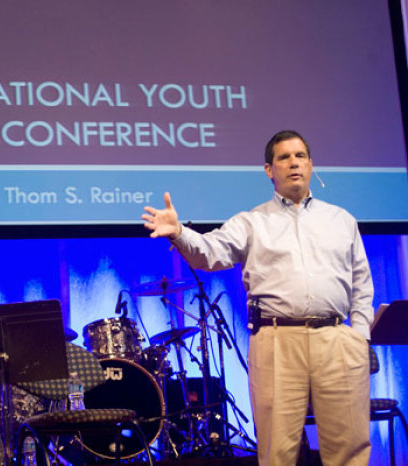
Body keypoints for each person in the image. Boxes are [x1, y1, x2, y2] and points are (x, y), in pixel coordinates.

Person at [142, 130, 373, 465]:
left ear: (310, 164)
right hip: (278, 340)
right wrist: (180, 233)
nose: (294, 163)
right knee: (277, 451)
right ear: (269, 169)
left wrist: (360, 337)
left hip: (337, 339)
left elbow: (361, 283)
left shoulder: (341, 220)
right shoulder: (251, 222)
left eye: (300, 156)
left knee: (349, 448)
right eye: (284, 157)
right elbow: (210, 253)